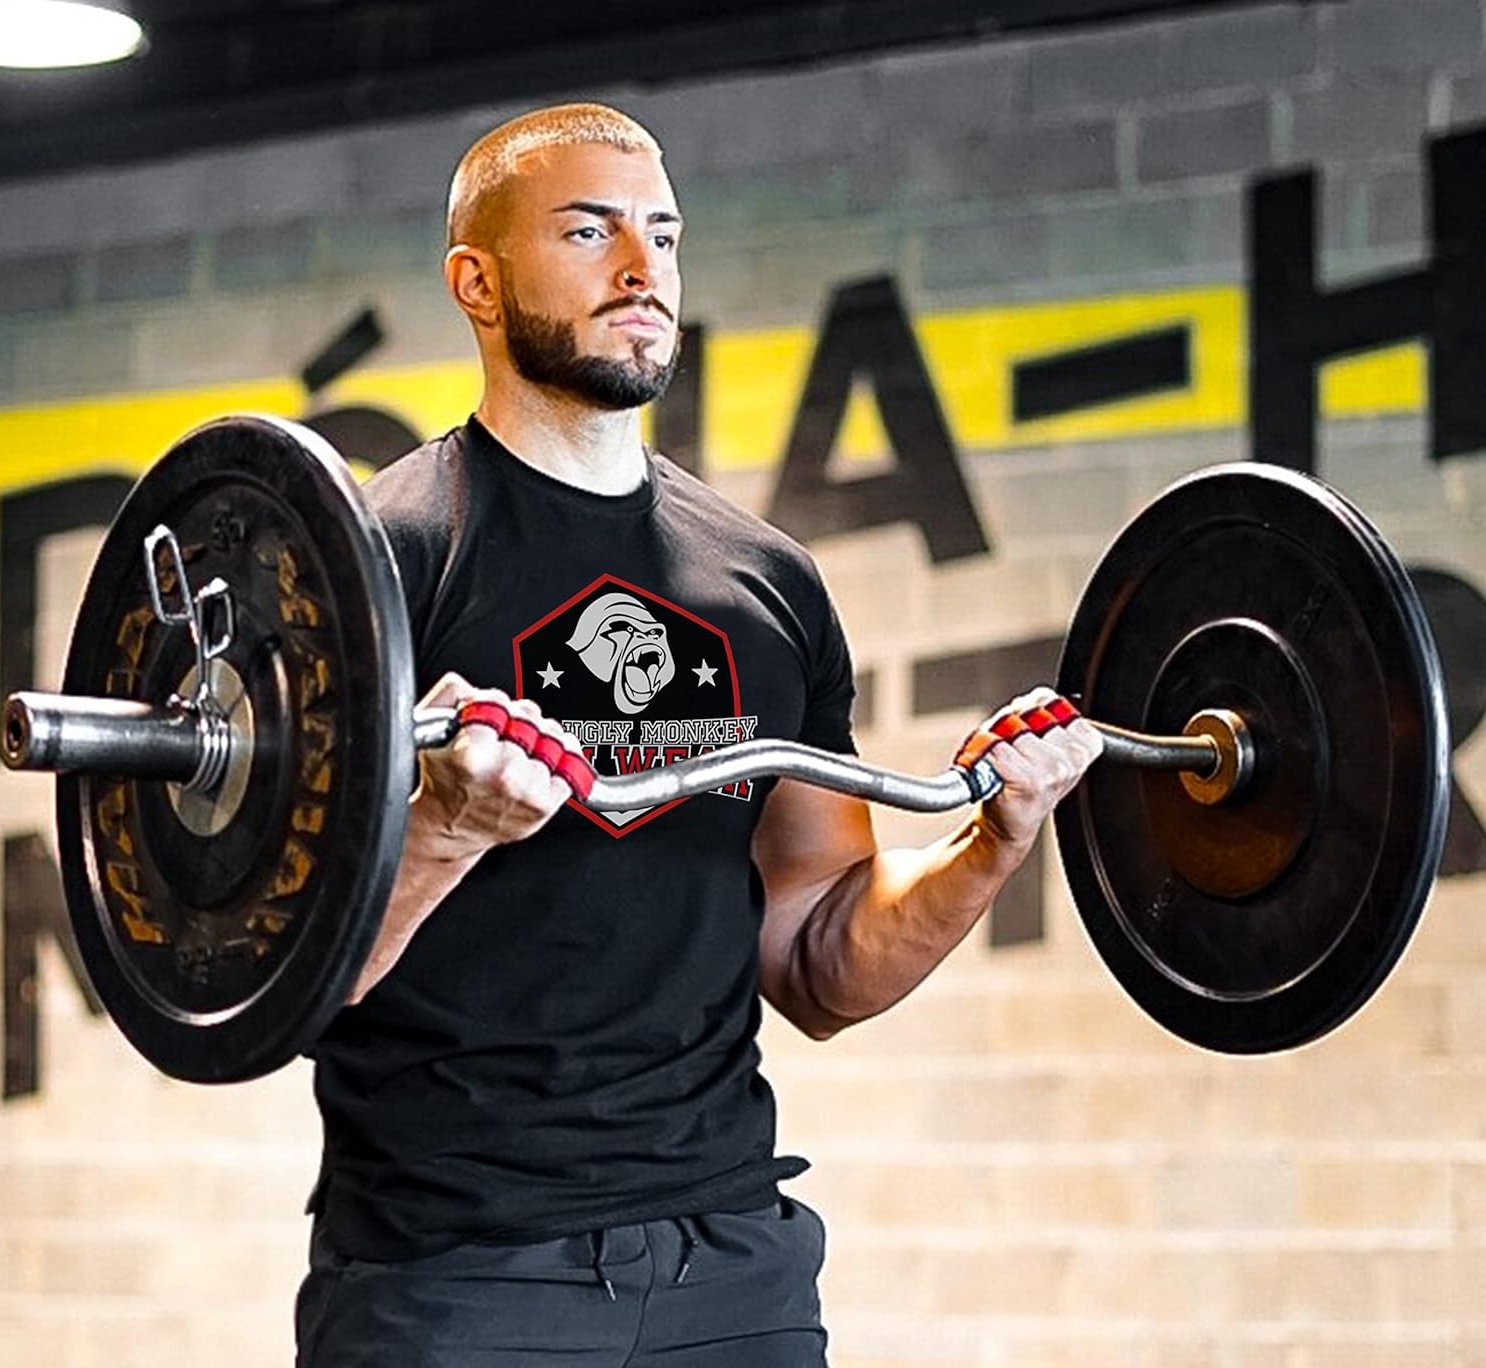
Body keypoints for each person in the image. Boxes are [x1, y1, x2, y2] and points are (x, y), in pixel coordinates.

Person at [295, 102, 1102, 1368]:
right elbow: (284, 984)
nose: (642, 270)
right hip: (456, 1275)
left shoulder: (767, 585)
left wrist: (993, 845)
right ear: (478, 281)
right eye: (589, 229)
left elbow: (821, 966)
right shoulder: (376, 566)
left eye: (664, 236)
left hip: (735, 1270)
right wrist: (444, 832)